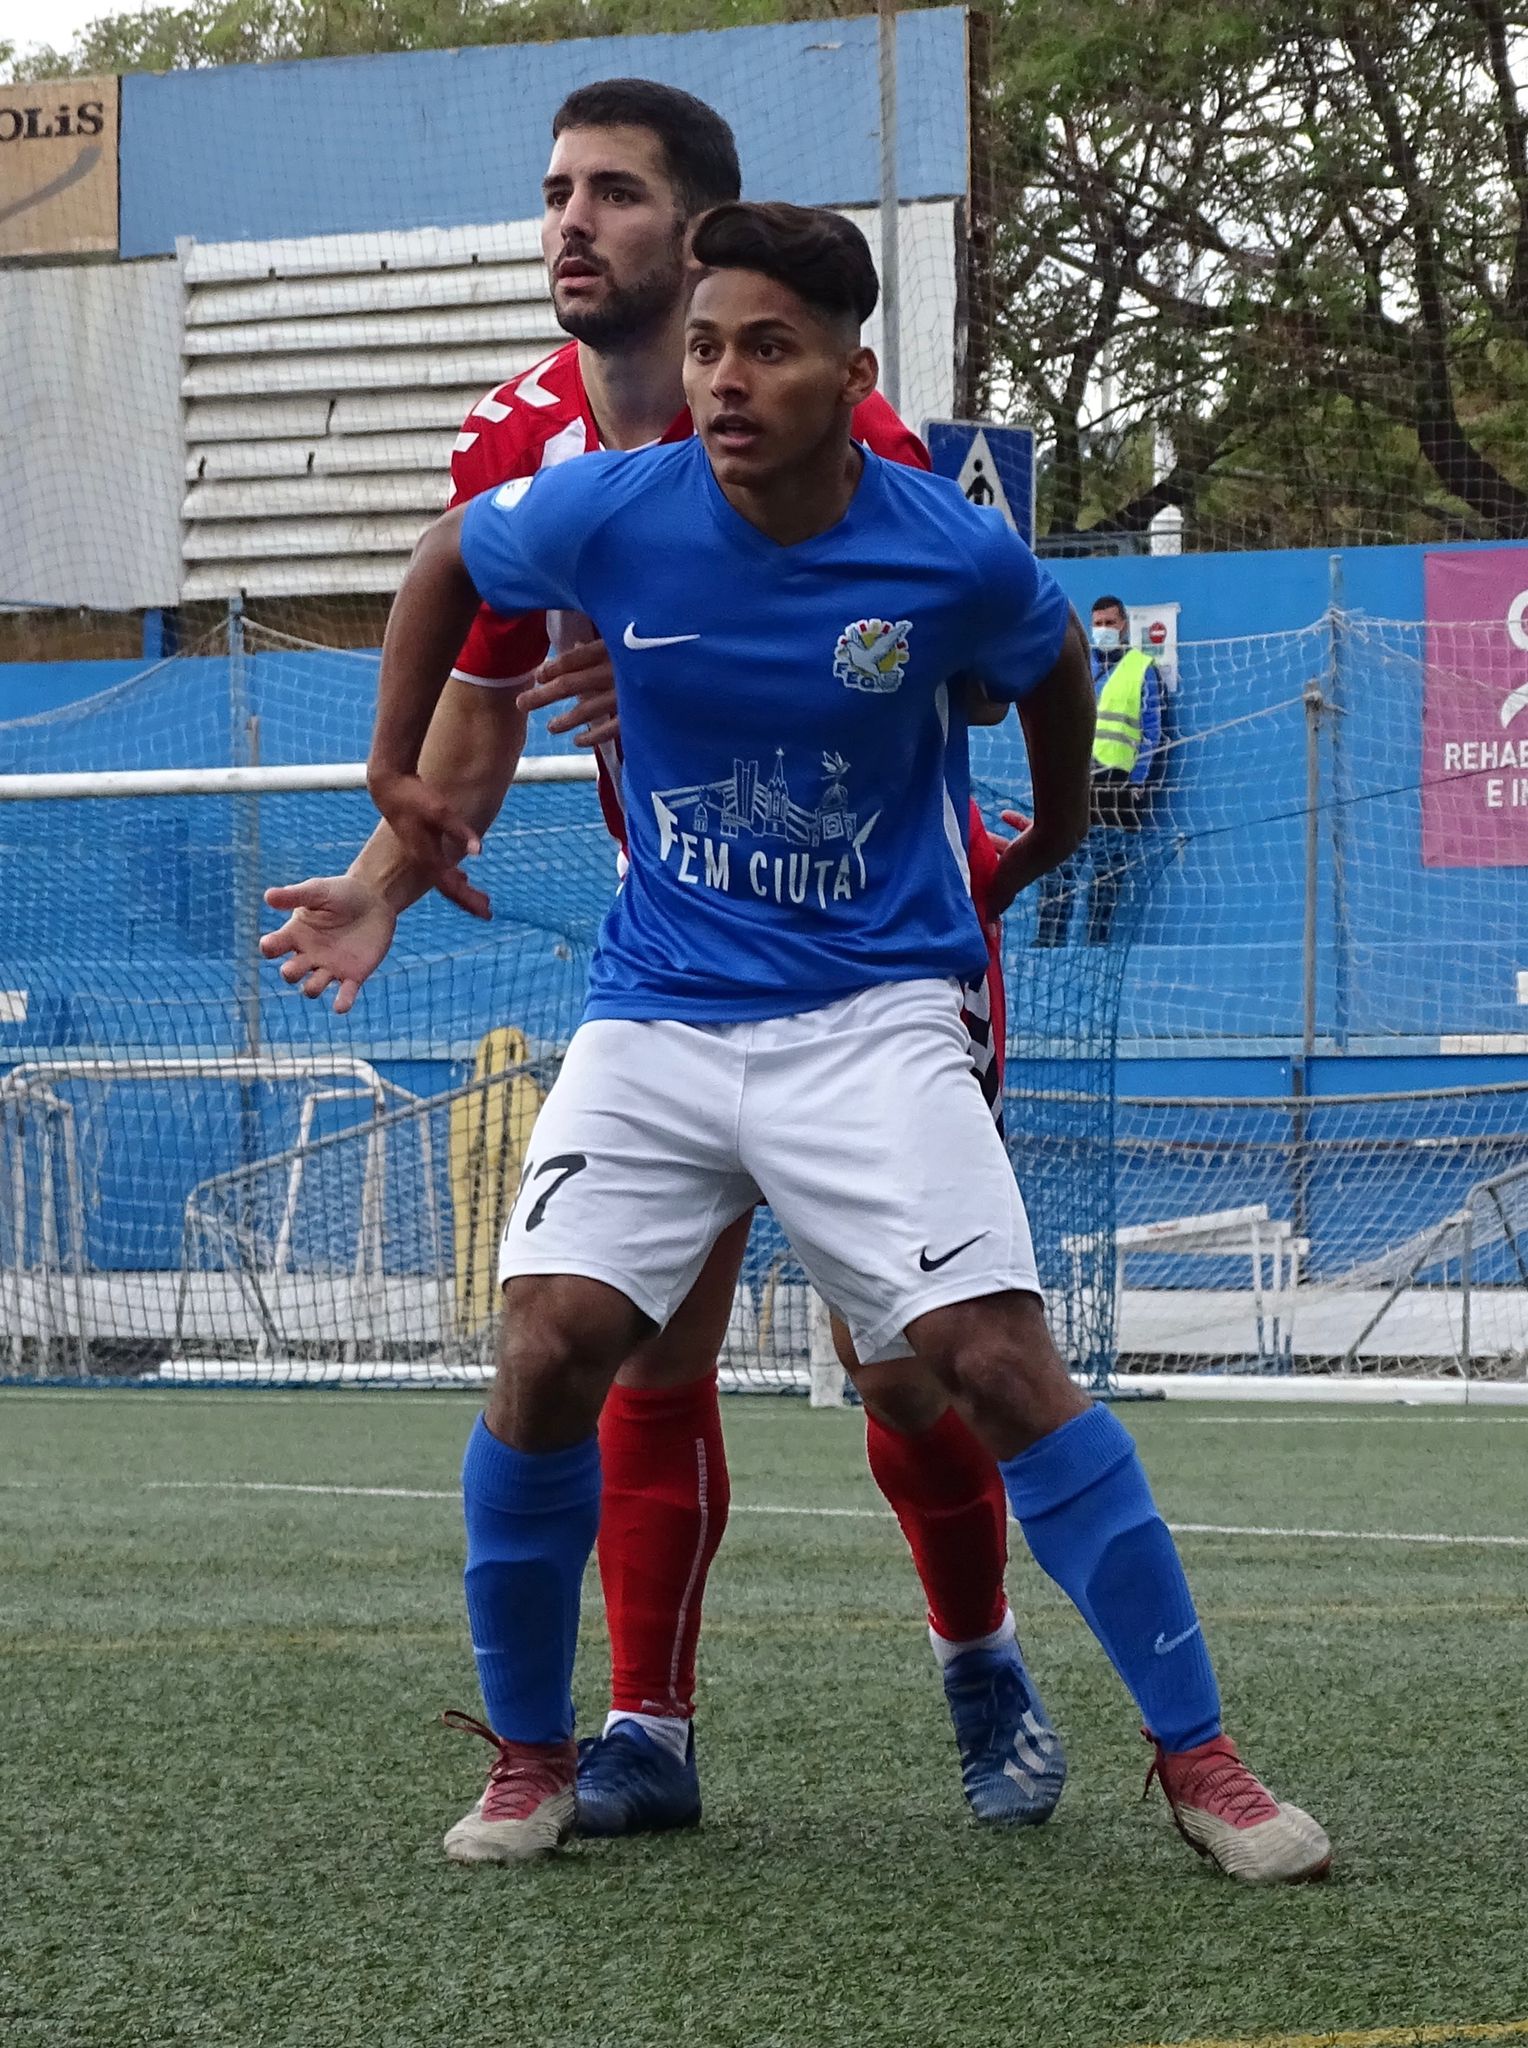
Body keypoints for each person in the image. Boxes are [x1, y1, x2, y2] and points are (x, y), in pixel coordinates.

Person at [362, 199, 1332, 1883]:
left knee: (985, 1360)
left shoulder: (944, 549)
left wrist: (1047, 835)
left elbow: (1046, 654)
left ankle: (1202, 1760)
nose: (725, 380)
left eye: (769, 348)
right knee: (546, 1347)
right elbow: (449, 557)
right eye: (707, 346)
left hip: (873, 1016)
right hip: (661, 1008)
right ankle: (534, 1755)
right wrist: (393, 770)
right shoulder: (610, 506)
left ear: (849, 372)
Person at [259, 80, 1062, 1838]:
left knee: (903, 1365)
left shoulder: (857, 429)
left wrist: (713, 663)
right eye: (555, 190)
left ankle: (977, 1648)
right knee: (628, 1342)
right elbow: (481, 702)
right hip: (679, 962)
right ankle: (645, 1731)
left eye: (612, 193)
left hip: (870, 957)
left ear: (697, 235)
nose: (570, 222)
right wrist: (387, 879)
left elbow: (974, 664)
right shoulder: (515, 445)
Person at [1033, 593, 1162, 947]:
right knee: (1060, 862)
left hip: (1116, 784)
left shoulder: (1141, 668)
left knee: (1106, 869)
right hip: (1074, 780)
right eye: (1098, 624)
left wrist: (1138, 783)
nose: (1104, 629)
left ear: (1124, 625)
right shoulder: (1078, 665)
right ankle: (1049, 939)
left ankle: (1096, 941)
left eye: (1110, 623)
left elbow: (1153, 732)